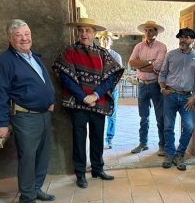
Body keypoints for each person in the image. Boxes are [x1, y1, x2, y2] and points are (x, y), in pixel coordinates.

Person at [0, 19, 55, 203]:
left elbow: (40, 82)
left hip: (43, 114)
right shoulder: (4, 62)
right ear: (10, 38)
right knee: (28, 158)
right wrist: (0, 122)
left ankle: (35, 189)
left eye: (27, 34)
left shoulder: (33, 56)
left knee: (42, 155)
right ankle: (27, 201)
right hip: (25, 118)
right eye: (19, 35)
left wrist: (49, 100)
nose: (24, 38)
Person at [52, 18, 124, 189]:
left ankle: (98, 169)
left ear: (94, 33)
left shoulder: (102, 54)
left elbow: (111, 76)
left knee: (97, 137)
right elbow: (65, 77)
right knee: (79, 139)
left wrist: (96, 94)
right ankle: (80, 173)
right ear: (78, 33)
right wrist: (83, 97)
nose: (84, 34)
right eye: (81, 30)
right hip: (78, 105)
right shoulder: (69, 51)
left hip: (97, 103)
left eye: (88, 31)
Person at [158, 28, 195, 170]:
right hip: (170, 95)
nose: (183, 40)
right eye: (181, 37)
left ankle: (180, 154)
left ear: (193, 40)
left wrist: (194, 97)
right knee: (168, 127)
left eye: (186, 37)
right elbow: (162, 74)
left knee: (189, 127)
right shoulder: (171, 55)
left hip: (187, 98)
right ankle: (170, 154)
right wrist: (163, 88)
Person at [129, 20, 167, 156]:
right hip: (142, 85)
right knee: (143, 117)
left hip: (155, 85)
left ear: (156, 32)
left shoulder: (162, 47)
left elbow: (157, 66)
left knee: (160, 117)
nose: (148, 33)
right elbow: (131, 63)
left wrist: (142, 64)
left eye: (151, 30)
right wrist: (149, 62)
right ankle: (143, 143)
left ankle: (162, 145)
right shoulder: (138, 46)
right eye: (146, 30)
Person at [97, 30, 122, 149]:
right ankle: (98, 138)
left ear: (111, 41)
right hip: (98, 89)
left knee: (112, 114)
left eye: (107, 39)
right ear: (100, 40)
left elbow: (118, 74)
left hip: (112, 89)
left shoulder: (116, 56)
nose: (105, 41)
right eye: (103, 39)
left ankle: (109, 138)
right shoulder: (96, 53)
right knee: (98, 114)